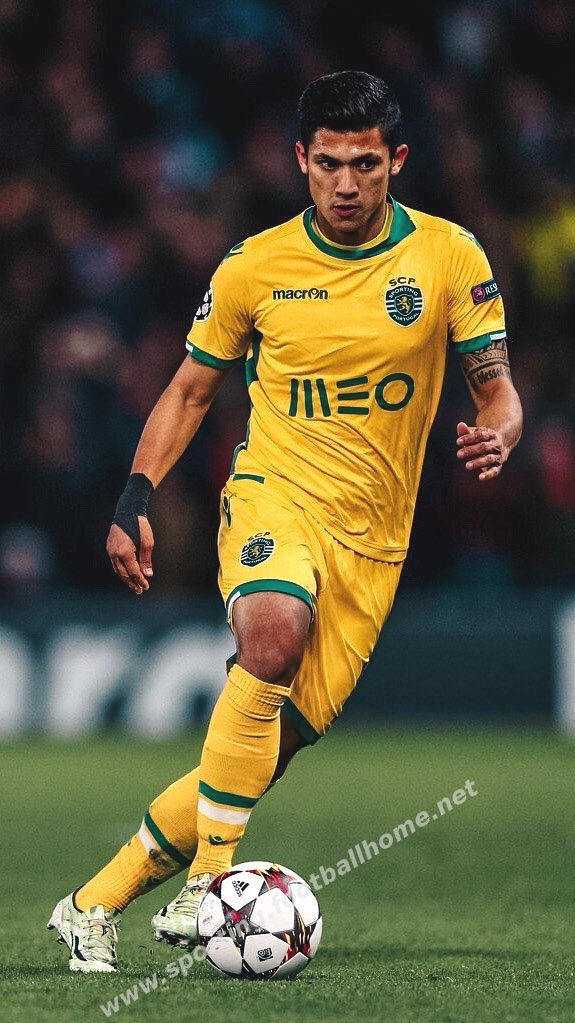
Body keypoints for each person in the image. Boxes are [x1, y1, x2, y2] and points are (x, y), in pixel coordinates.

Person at [48, 70, 523, 972]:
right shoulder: (254, 266)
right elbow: (189, 391)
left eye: (365, 165)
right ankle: (207, 885)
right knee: (270, 637)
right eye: (328, 164)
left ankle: (91, 904)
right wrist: (133, 496)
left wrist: (498, 432)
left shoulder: (449, 257)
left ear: (396, 161)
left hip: (373, 543)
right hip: (275, 493)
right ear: (300, 160)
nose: (346, 184)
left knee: (263, 753)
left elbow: (495, 388)